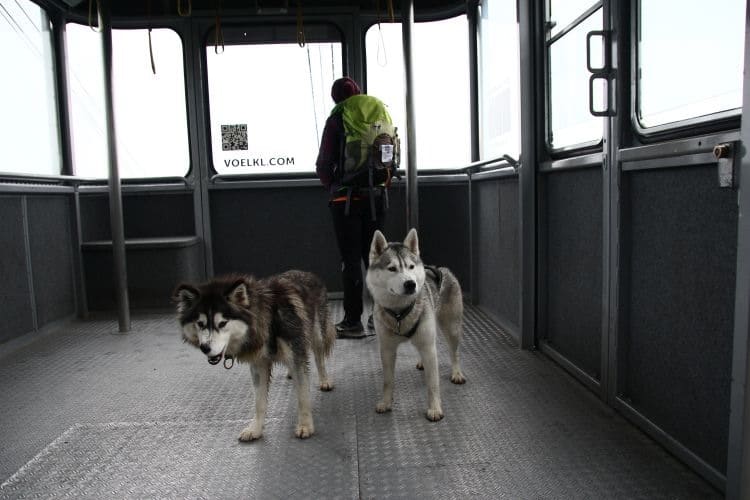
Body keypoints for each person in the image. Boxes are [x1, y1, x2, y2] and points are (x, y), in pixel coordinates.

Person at [315, 77, 393, 339]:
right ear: (358, 92)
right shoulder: (380, 111)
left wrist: (333, 187)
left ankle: (352, 322)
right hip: (377, 197)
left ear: (337, 98)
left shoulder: (338, 118)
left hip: (345, 202)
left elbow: (323, 163)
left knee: (350, 261)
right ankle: (380, 318)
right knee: (375, 260)